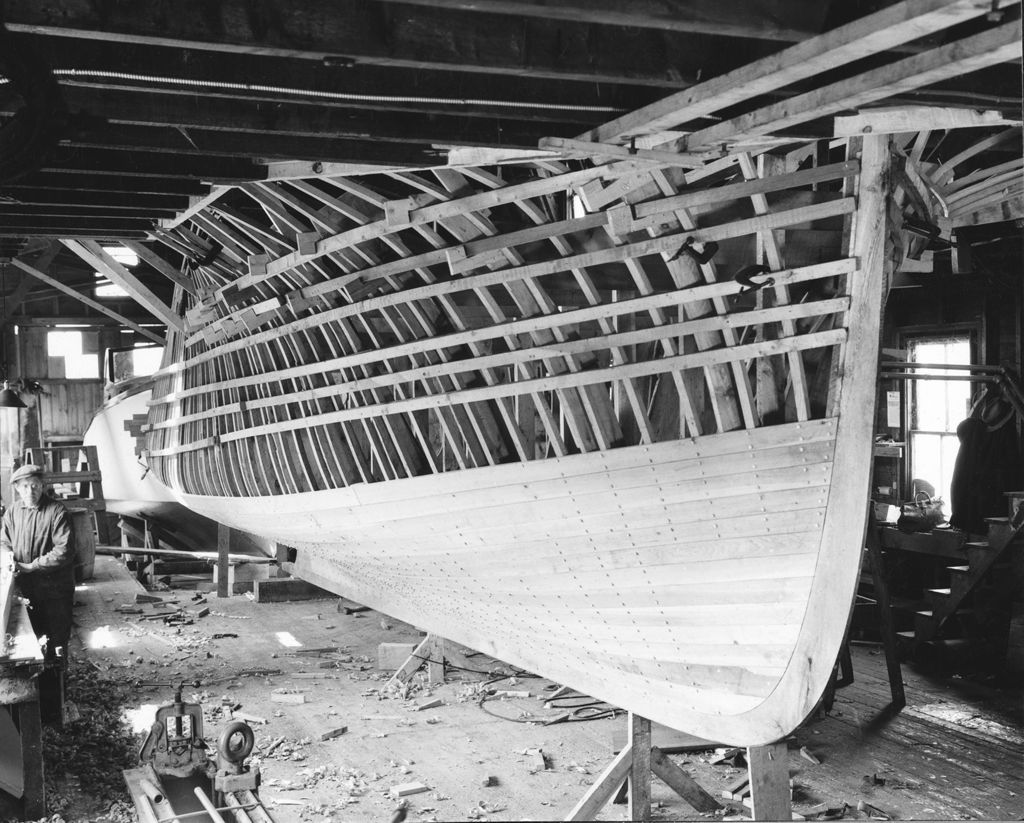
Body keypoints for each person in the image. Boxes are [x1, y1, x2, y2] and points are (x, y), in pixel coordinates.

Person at [1, 464, 76, 664]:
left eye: (34, 485)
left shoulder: (57, 511)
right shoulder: (13, 511)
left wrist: (31, 566)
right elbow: (4, 541)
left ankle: (59, 688)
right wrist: (9, 557)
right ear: (17, 488)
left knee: (57, 640)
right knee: (34, 638)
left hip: (55, 590)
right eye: (24, 486)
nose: (30, 491)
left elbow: (64, 551)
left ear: (42, 485)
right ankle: (41, 682)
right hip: (26, 588)